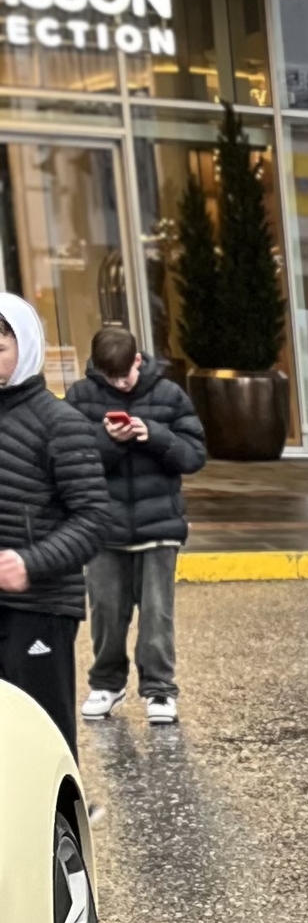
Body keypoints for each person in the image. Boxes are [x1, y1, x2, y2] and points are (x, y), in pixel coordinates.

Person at [72, 322, 206, 726]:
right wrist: (108, 439)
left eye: (125, 373)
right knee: (107, 613)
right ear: (98, 368)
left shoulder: (168, 395)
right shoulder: (81, 397)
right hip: (104, 526)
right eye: (111, 377)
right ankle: (107, 683)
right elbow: (70, 459)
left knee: (157, 615)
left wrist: (153, 434)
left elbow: (194, 456)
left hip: (159, 526)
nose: (121, 383)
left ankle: (160, 690)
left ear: (138, 359)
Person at [0, 290, 110, 751]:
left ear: (25, 347)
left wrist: (30, 561)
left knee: (41, 739)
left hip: (39, 608)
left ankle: (60, 821)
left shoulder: (59, 422)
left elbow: (94, 518)